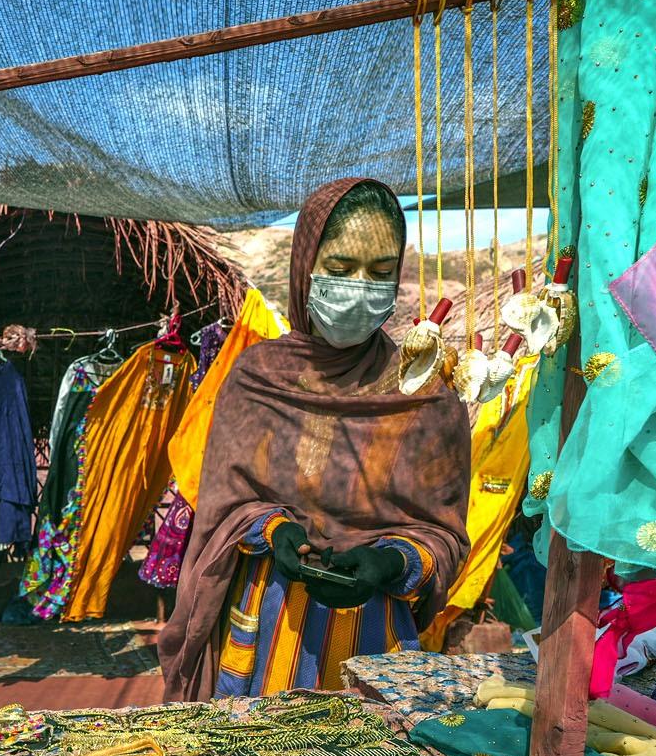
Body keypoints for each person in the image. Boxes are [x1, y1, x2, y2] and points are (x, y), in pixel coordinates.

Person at [157, 177, 469, 700]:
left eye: (380, 273)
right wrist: (273, 531)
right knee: (257, 751)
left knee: (369, 754)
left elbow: (446, 535)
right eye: (340, 269)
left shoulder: (424, 393)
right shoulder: (258, 377)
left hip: (374, 636)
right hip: (268, 626)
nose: (359, 287)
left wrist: (392, 561)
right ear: (306, 268)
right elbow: (223, 506)